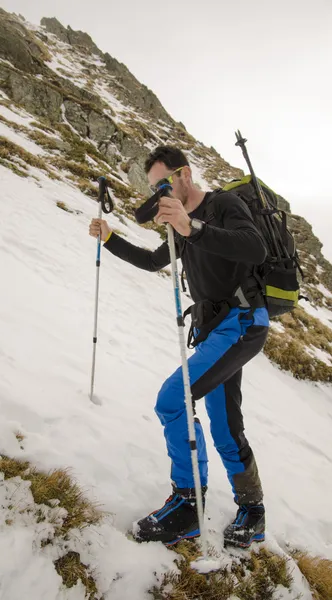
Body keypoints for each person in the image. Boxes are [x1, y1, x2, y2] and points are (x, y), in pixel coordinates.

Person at [89, 146, 269, 548]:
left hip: (242, 322)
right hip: (212, 330)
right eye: (154, 189)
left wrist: (194, 228)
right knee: (224, 425)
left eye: (163, 184)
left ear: (184, 173)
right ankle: (253, 513)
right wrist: (110, 238)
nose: (159, 195)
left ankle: (189, 504)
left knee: (173, 399)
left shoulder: (224, 204)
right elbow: (155, 261)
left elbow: (255, 248)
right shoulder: (177, 222)